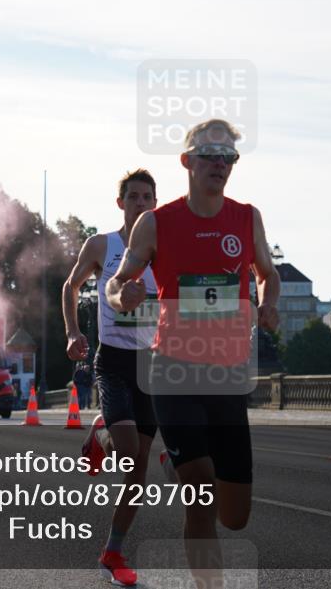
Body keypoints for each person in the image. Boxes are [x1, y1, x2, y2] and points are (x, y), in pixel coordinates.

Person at [106, 119, 281, 580]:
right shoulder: (156, 222)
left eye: (229, 158)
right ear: (187, 161)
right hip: (174, 370)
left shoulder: (247, 218)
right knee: (201, 490)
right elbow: (116, 282)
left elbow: (268, 272)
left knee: (235, 515)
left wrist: (271, 302)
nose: (219, 165)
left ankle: (177, 463)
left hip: (226, 376)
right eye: (210, 156)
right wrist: (122, 294)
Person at [62, 168, 160, 587]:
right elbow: (70, 284)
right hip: (114, 361)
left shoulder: (164, 248)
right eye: (133, 197)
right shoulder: (103, 245)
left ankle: (113, 551)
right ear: (121, 203)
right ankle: (100, 433)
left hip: (152, 366)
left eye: (147, 197)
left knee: (137, 470)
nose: (141, 203)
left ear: (155, 204)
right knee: (124, 451)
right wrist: (72, 331)